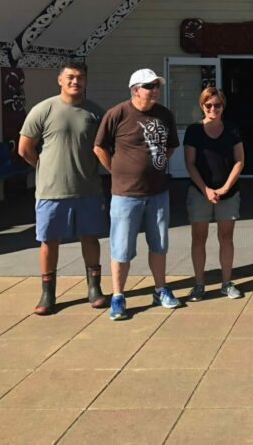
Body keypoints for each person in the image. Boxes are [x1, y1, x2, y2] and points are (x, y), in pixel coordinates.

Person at [18, 61, 108, 315]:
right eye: (70, 77)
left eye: (80, 77)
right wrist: (44, 167)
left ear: (86, 81)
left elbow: (105, 148)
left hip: (88, 189)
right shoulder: (43, 109)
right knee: (49, 241)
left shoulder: (95, 113)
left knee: (90, 237)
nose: (75, 81)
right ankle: (48, 294)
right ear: (60, 80)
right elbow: (24, 149)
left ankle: (94, 289)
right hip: (51, 191)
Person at [94, 68, 180, 320]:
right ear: (135, 90)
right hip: (126, 195)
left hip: (158, 193)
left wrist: (156, 165)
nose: (155, 90)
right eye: (149, 86)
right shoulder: (117, 113)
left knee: (159, 244)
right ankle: (118, 296)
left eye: (157, 86)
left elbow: (171, 146)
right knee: (121, 247)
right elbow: (99, 147)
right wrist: (116, 170)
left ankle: (160, 289)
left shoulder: (165, 114)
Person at [183, 86, 245, 301]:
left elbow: (239, 161)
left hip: (228, 192)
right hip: (200, 192)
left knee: (226, 238)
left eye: (217, 105)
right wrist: (205, 189)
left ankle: (226, 283)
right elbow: (190, 163)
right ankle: (199, 284)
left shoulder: (232, 129)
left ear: (223, 106)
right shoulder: (194, 130)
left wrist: (226, 187)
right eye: (208, 105)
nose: (212, 109)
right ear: (202, 106)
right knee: (199, 238)